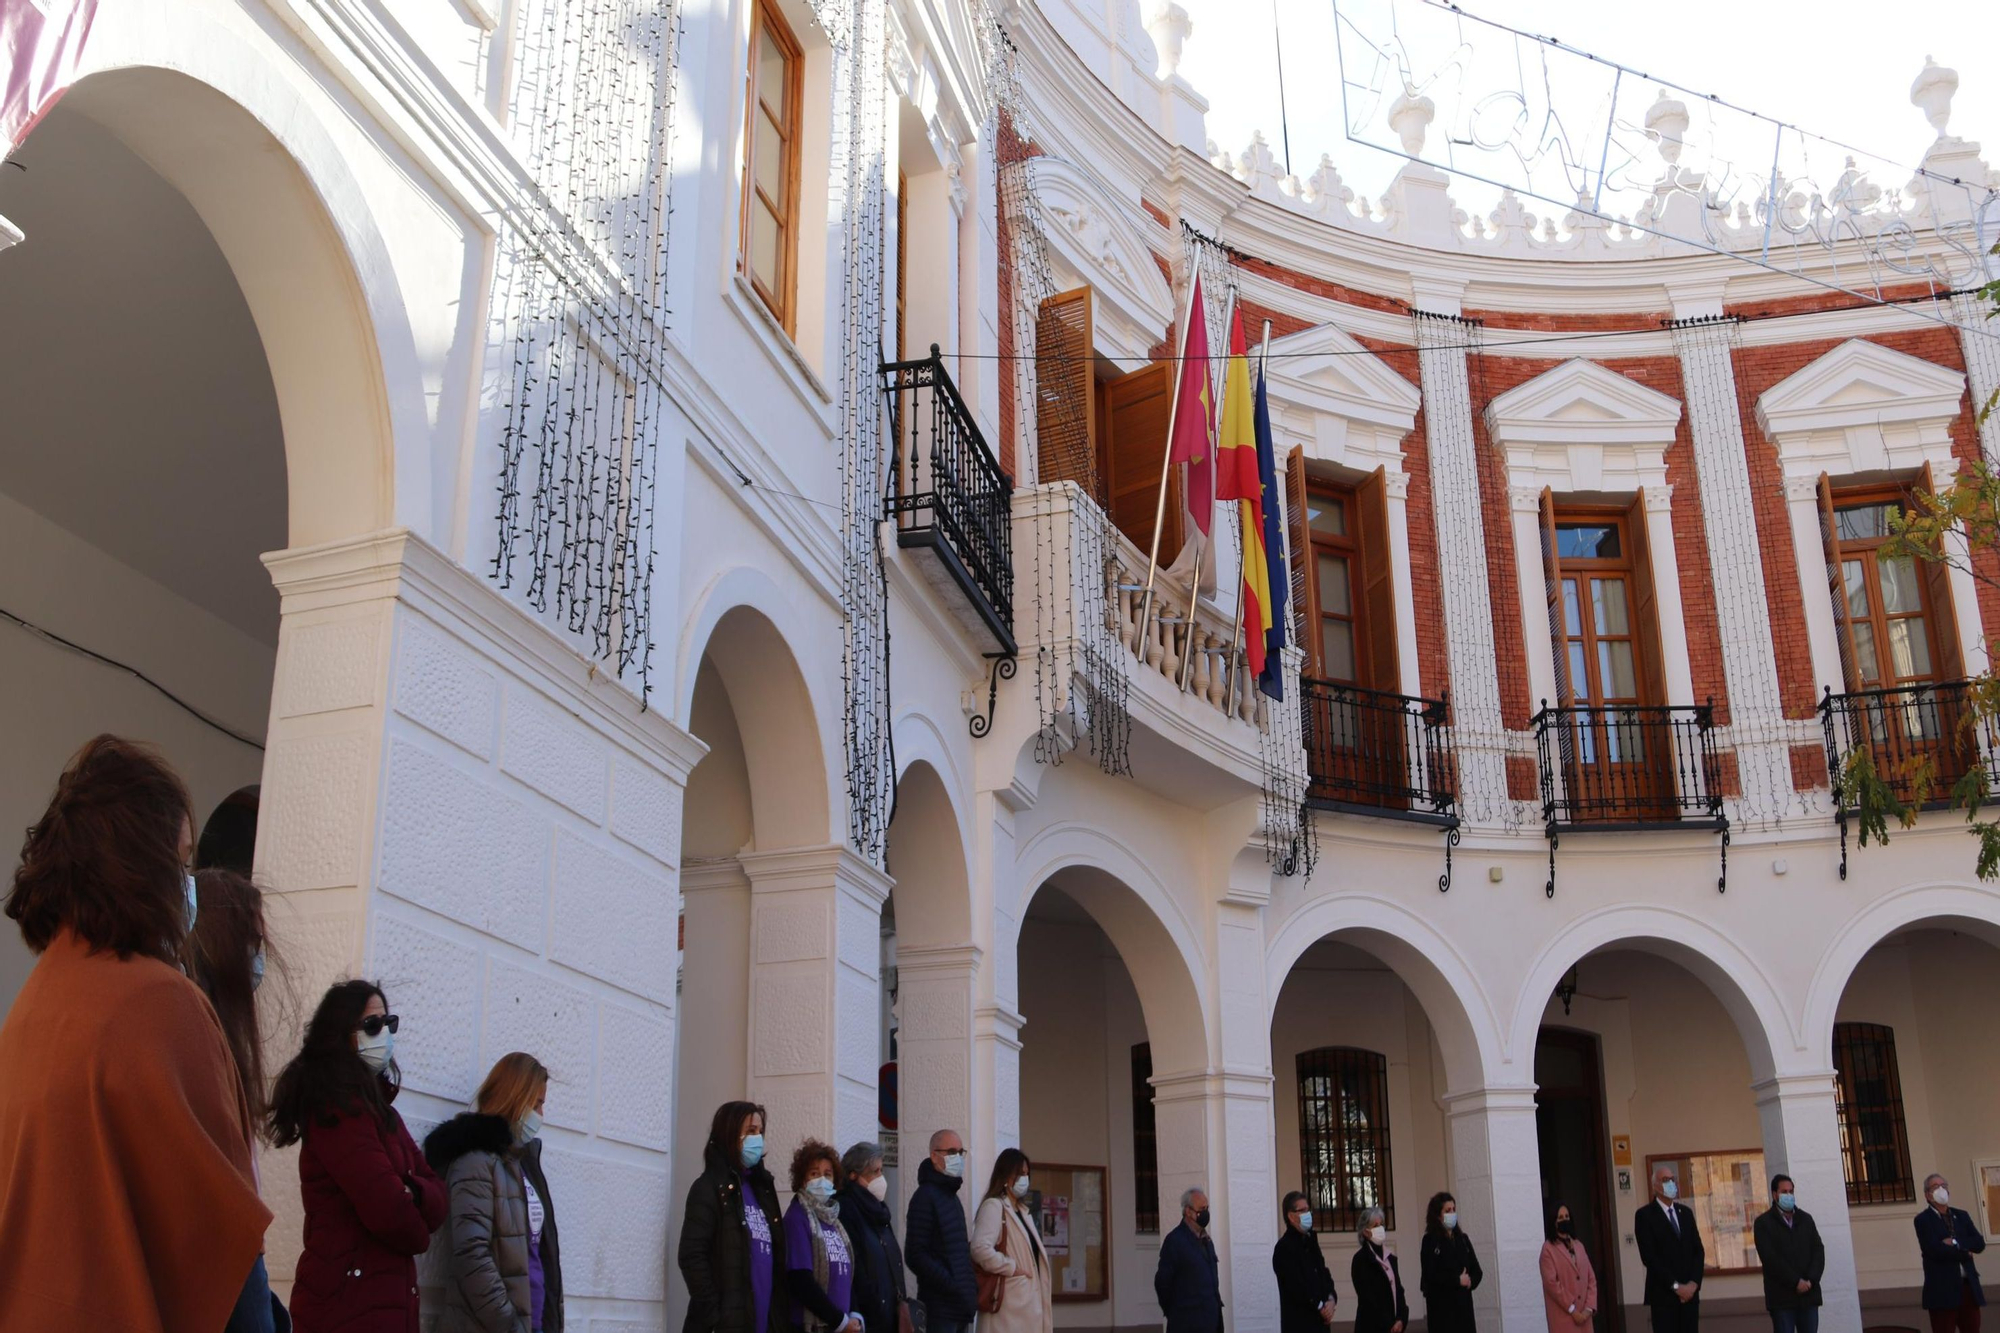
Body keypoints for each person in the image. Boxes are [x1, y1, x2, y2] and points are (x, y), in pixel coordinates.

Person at [0, 735, 272, 1332]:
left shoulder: (30, 1007)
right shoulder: (161, 1004)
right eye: (179, 861)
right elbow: (224, 1249)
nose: (187, 882)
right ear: (140, 865)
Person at [270, 979, 447, 1333]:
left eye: (388, 1023)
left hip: (381, 1304)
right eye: (371, 1026)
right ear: (340, 1035)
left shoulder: (381, 1113)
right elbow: (387, 1208)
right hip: (346, 1306)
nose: (383, 1033)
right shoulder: (337, 1111)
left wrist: (410, 1190)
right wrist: (415, 1218)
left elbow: (439, 1195)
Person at [183, 866, 290, 1333]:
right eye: (252, 939)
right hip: (223, 1253)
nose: (259, 957)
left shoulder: (216, 1032)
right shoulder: (191, 1027)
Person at [423, 1052, 565, 1333]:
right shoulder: (474, 1162)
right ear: (515, 1097)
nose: (540, 1116)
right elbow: (471, 1254)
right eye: (535, 1105)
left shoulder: (522, 1163)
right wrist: (509, 1324)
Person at [679, 1100, 789, 1333]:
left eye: (760, 1131)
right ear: (730, 1134)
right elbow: (691, 1256)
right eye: (750, 1131)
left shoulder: (763, 1189)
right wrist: (715, 1318)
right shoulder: (708, 1188)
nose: (757, 1138)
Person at [784, 1140, 862, 1333]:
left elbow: (845, 1274)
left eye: (828, 1174)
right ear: (802, 1180)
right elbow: (801, 1280)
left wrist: (854, 1314)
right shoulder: (797, 1218)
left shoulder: (833, 1220)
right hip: (812, 1327)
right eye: (814, 1174)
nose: (822, 1180)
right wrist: (840, 1322)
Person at [971, 1149, 1052, 1333]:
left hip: (1026, 1307)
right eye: (1020, 1174)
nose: (1025, 1179)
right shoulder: (994, 1206)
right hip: (1008, 1309)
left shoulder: (1023, 1211)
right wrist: (1012, 1267)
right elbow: (979, 1249)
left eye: (1026, 1174)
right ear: (1006, 1176)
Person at [906, 1129, 978, 1333]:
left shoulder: (951, 1197)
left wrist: (969, 1286)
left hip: (960, 1307)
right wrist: (951, 1282)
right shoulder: (925, 1197)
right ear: (934, 1156)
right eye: (951, 1151)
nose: (958, 1157)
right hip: (940, 1309)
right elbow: (915, 1254)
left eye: (960, 1152)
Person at [835, 1142, 909, 1333]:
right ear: (853, 1175)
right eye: (874, 1171)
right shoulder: (846, 1208)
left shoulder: (879, 1211)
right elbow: (855, 1265)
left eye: (881, 1170)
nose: (880, 1178)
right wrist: (874, 1305)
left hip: (890, 1313)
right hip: (869, 1317)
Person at [1635, 1164, 1705, 1333]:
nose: (1671, 1183)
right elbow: (1649, 1258)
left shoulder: (1686, 1213)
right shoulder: (1645, 1215)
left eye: (1672, 1179)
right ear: (1655, 1187)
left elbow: (1698, 1251)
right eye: (1665, 1180)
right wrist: (1676, 1287)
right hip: (1664, 1298)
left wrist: (1693, 1285)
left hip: (1689, 1298)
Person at [1915, 1172, 1987, 1333]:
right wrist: (1964, 1252)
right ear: (1927, 1194)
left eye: (1944, 1186)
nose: (1941, 1189)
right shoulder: (1923, 1220)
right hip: (1942, 1290)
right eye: (1935, 1187)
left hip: (1967, 1287)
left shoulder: (1961, 1215)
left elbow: (1979, 1243)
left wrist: (1955, 1242)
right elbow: (1934, 1250)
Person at [1752, 1175, 1823, 1333]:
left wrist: (1810, 1280)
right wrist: (1795, 1282)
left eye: (1791, 1191)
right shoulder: (1763, 1223)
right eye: (1784, 1192)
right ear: (1775, 1194)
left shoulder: (1805, 1219)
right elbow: (1770, 1259)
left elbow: (1818, 1251)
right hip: (1782, 1299)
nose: (1789, 1196)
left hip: (1809, 1296)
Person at [1156, 1187, 1225, 1333]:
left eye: (1207, 1208)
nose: (1205, 1213)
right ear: (1188, 1211)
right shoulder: (1175, 1241)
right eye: (1201, 1209)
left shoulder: (1207, 1241)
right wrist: (1175, 1313)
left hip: (1211, 1322)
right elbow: (1162, 1282)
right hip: (1186, 1323)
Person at [1272, 1191, 1337, 1333]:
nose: (1308, 1214)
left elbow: (1323, 1273)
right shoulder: (1284, 1248)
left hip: (1321, 1324)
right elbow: (1296, 1285)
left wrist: (1331, 1300)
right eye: (1302, 1211)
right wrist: (1319, 1306)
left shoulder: (1310, 1241)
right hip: (1300, 1324)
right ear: (1291, 1216)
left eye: (1308, 1210)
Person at [1418, 1192, 1482, 1333]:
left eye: (1453, 1209)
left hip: (1464, 1311)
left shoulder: (1463, 1239)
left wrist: (1470, 1281)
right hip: (1442, 1312)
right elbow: (1430, 1275)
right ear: (1438, 1215)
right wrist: (1456, 1280)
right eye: (1447, 1211)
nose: (1452, 1213)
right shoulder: (1430, 1241)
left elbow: (1477, 1270)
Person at [1540, 1201, 1599, 1333]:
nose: (1564, 1220)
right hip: (1564, 1318)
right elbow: (1552, 1285)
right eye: (1560, 1218)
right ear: (1554, 1222)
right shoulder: (1548, 1249)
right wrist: (1572, 1309)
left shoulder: (1579, 1245)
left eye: (1566, 1217)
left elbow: (1591, 1279)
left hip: (1585, 1318)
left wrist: (1588, 1309)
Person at [1350, 1207, 1408, 1333]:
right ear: (1365, 1232)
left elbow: (1398, 1290)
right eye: (1375, 1225)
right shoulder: (1360, 1260)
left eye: (1381, 1224)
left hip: (1395, 1326)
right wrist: (1388, 1324)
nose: (1380, 1228)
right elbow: (1367, 1298)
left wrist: (1401, 1319)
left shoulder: (1390, 1258)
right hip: (1373, 1326)